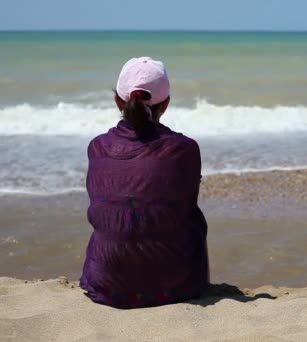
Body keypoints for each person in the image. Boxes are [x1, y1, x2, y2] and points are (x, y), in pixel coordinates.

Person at [79, 57, 209, 309]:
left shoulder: (97, 146)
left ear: (118, 101)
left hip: (106, 287)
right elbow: (185, 207)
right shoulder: (184, 149)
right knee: (189, 216)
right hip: (175, 287)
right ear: (166, 104)